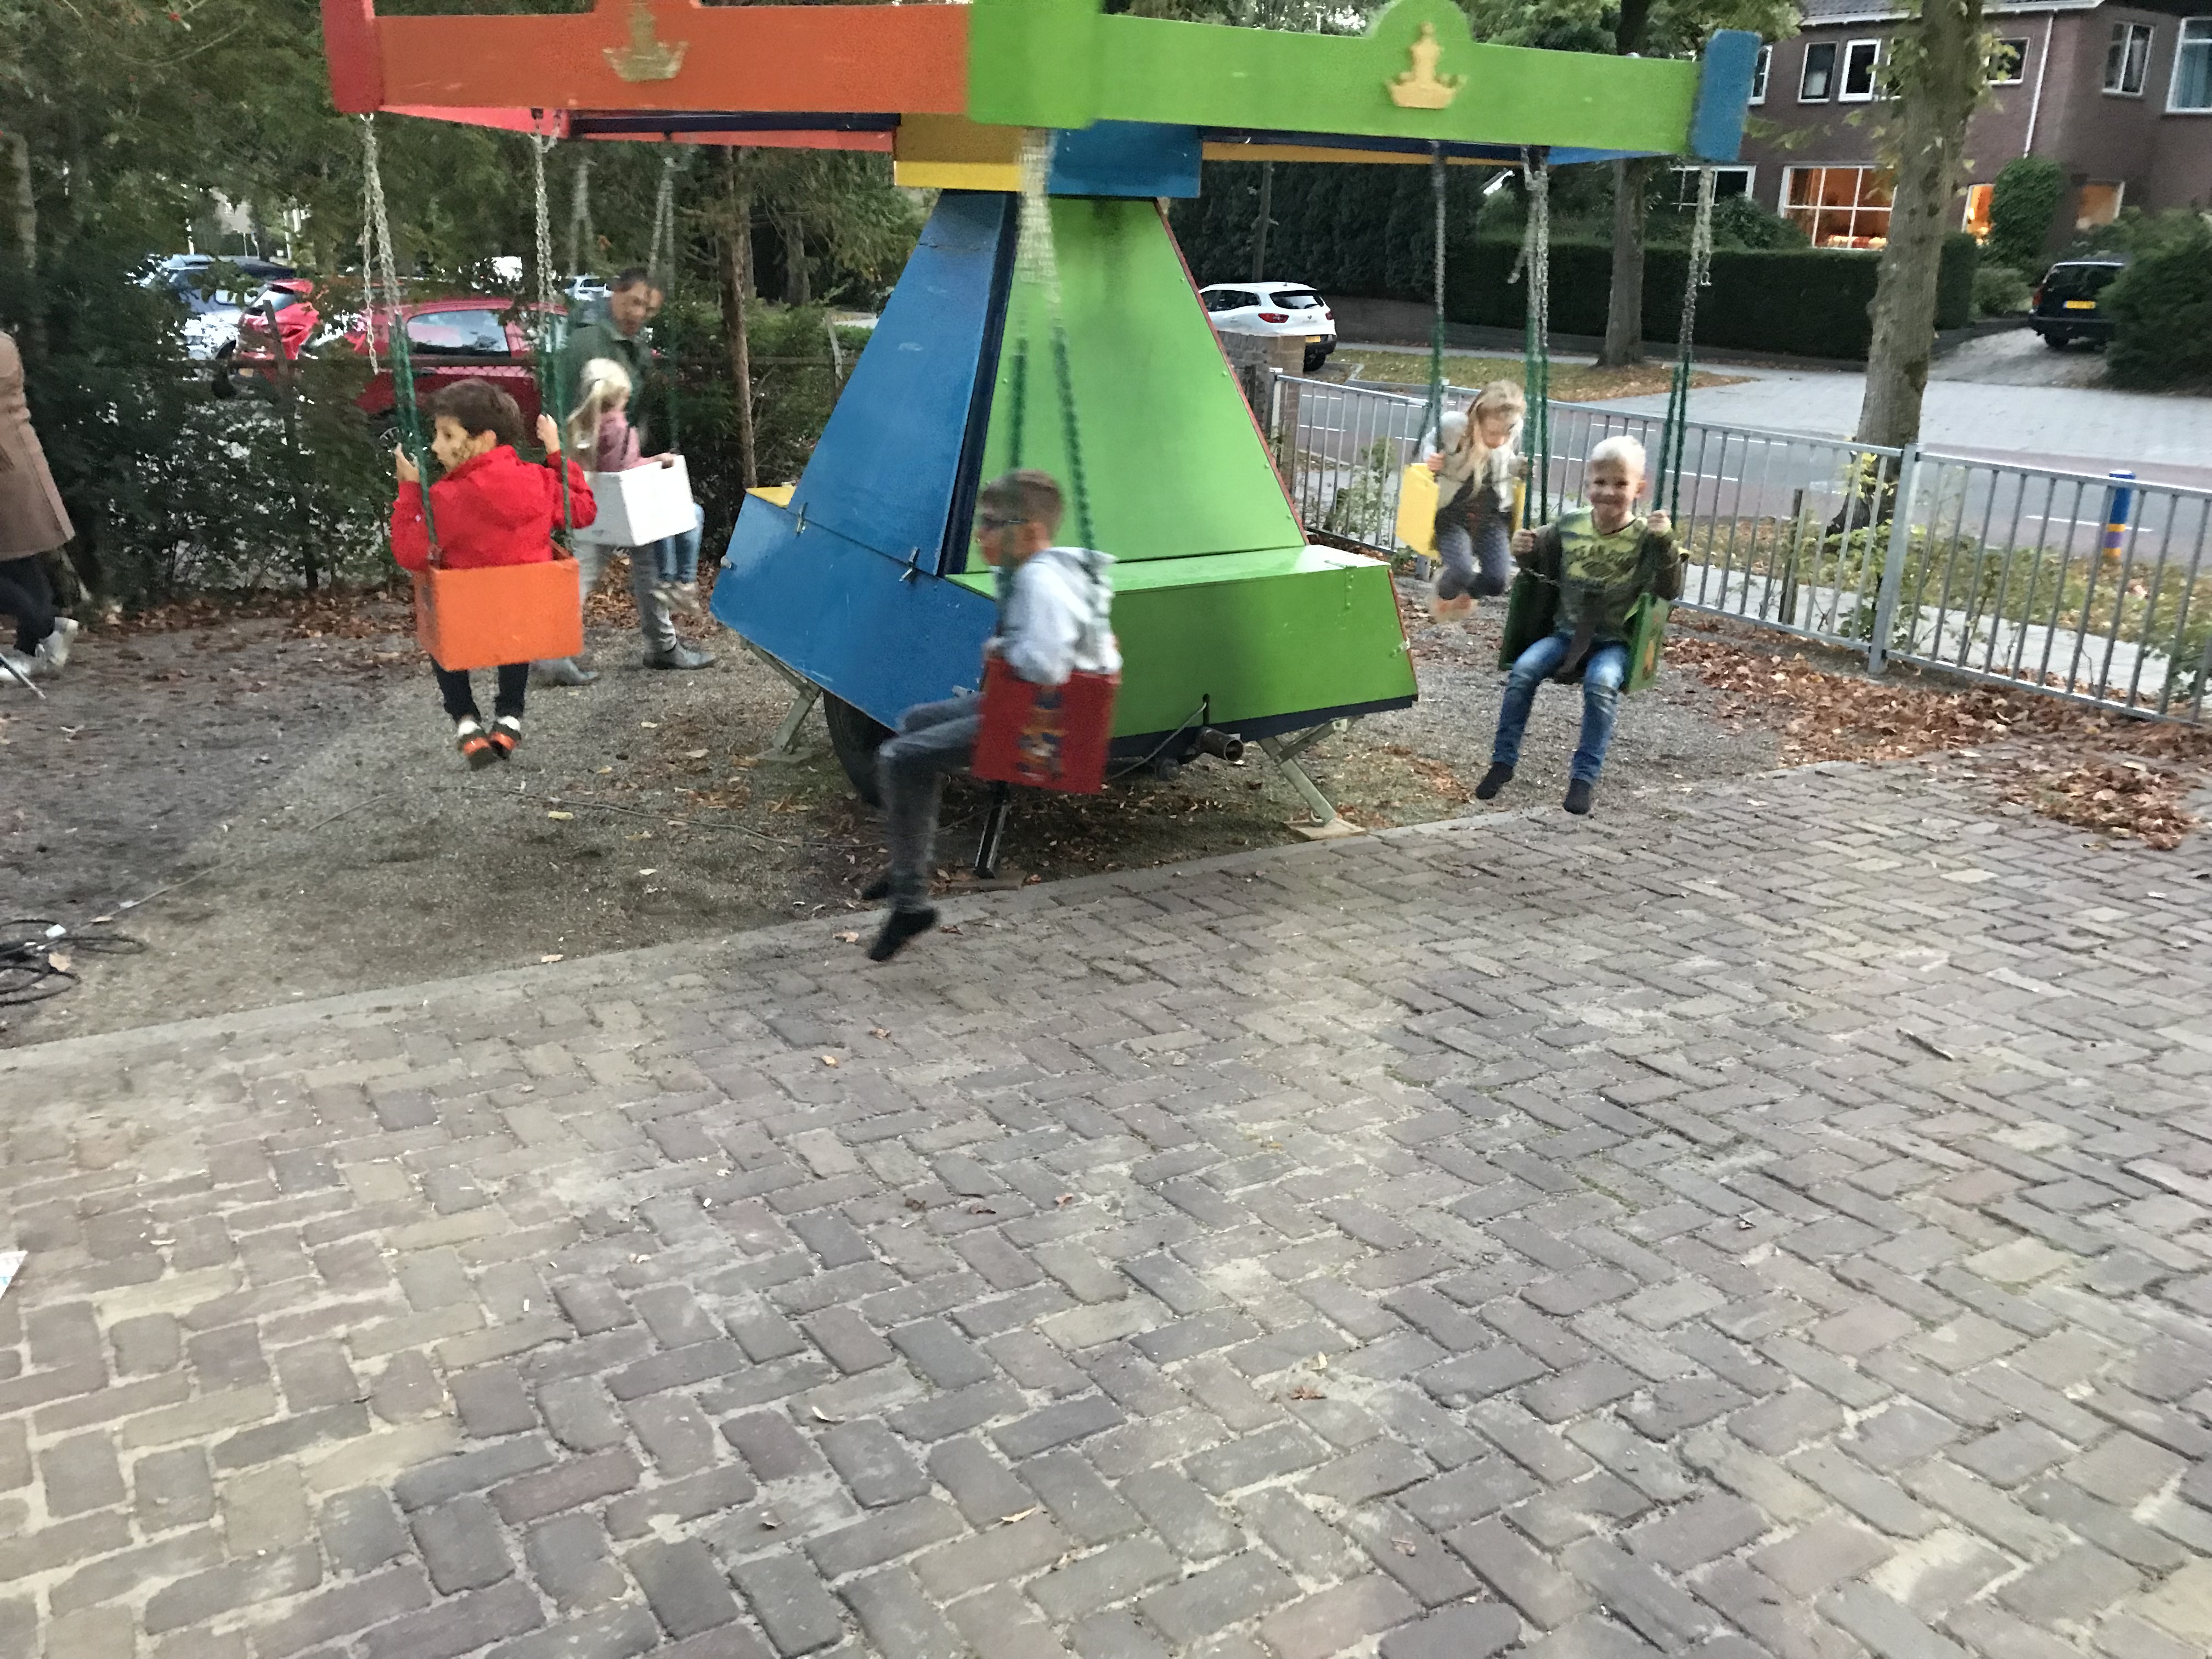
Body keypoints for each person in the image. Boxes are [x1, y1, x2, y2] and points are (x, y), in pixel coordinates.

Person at [865, 469, 1118, 963]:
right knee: (915, 722)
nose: (981, 534)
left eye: (993, 523)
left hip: (1043, 721)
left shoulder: (1039, 581)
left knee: (899, 758)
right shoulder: (1051, 571)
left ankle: (911, 902)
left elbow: (1046, 665)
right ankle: (906, 867)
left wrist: (1003, 649)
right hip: (1028, 705)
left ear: (1030, 532)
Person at [390, 379, 597, 768]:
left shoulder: (445, 498)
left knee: (442, 627)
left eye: (447, 435)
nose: (435, 447)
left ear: (485, 439)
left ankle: (467, 721)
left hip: (466, 620)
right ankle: (509, 718)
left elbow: (410, 554)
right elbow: (583, 510)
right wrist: (556, 453)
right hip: (523, 615)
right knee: (513, 627)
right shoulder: (539, 481)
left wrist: (410, 493)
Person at [1475, 434, 1679, 818]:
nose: (1608, 492)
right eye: (1600, 482)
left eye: (1620, 484)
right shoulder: (1569, 525)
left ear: (1639, 488)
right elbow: (1538, 562)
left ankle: (1583, 779)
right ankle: (1503, 762)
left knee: (1601, 684)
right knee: (1522, 671)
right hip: (1564, 635)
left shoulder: (1647, 538)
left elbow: (1669, 589)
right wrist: (1523, 549)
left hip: (1612, 642)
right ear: (1588, 485)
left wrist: (1666, 541)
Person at [535, 266, 712, 684]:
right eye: (634, 302)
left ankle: (662, 646)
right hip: (596, 473)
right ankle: (552, 653)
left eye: (648, 310)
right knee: (587, 561)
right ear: (615, 293)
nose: (639, 314)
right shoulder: (588, 342)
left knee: (648, 556)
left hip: (622, 469)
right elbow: (567, 405)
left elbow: (629, 410)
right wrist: (573, 464)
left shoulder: (630, 343)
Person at [568, 356, 701, 615]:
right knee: (692, 513)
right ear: (621, 397)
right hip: (629, 508)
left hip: (598, 509)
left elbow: (608, 466)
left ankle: (668, 581)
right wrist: (656, 461)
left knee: (584, 573)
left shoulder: (584, 425)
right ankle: (681, 582)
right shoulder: (619, 428)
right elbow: (625, 471)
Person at [0, 329, 81, 685]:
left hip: (8, 468)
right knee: (17, 561)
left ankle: (44, 629)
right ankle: (37, 643)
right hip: (10, 466)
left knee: (17, 557)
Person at [1424, 378, 1525, 622]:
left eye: (1506, 434)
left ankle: (1467, 592)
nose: (1499, 440)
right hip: (1453, 515)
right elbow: (1429, 444)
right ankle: (1446, 590)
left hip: (1492, 516)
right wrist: (1431, 458)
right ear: (1477, 418)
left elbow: (1506, 462)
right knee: (1461, 571)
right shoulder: (1453, 427)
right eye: (1493, 433)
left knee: (1498, 581)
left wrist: (1520, 468)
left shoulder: (1513, 427)